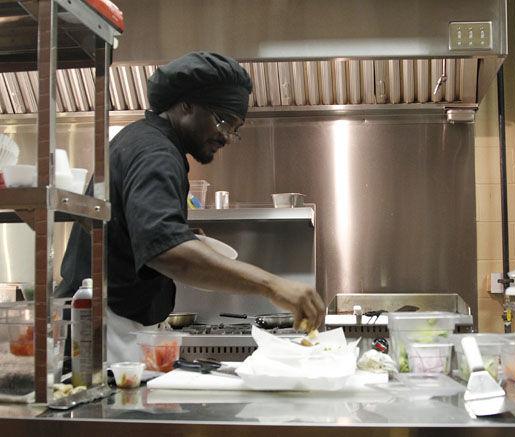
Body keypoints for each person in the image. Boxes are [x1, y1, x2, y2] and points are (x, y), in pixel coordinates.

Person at [56, 52, 325, 363]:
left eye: (234, 128)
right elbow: (167, 253)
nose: (226, 136)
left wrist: (183, 235)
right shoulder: (156, 153)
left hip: (105, 324)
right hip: (106, 332)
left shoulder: (143, 141)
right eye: (223, 121)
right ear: (186, 105)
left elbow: (139, 235)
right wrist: (274, 286)